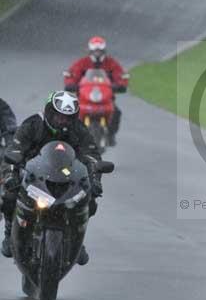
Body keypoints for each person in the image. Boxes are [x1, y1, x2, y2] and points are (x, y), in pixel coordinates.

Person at [1, 91, 102, 263]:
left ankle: (77, 240)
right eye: (58, 115)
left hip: (66, 177)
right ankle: (9, 233)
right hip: (33, 175)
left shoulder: (78, 129)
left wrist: (95, 179)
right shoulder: (33, 124)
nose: (62, 120)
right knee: (9, 195)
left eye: (67, 117)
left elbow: (92, 154)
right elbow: (14, 149)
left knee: (90, 200)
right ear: (49, 111)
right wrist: (10, 173)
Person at [63, 36, 129, 146]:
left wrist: (120, 85)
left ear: (104, 50)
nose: (97, 53)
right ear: (90, 51)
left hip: (106, 99)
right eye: (95, 51)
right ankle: (70, 135)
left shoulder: (111, 63)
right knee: (69, 112)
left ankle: (110, 135)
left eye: (99, 51)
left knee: (116, 113)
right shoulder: (82, 62)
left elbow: (120, 75)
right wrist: (71, 84)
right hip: (84, 98)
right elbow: (72, 74)